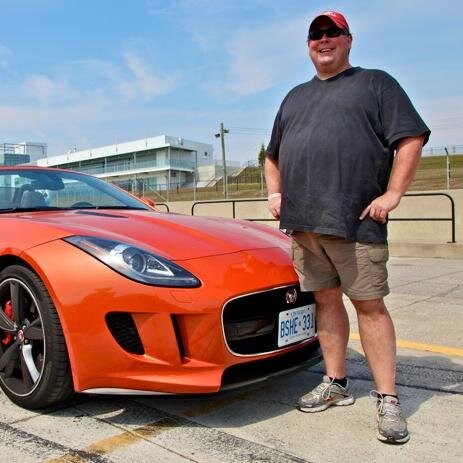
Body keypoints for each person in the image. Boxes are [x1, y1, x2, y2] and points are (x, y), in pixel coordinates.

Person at [265, 10, 430, 445]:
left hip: (355, 223)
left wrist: (392, 194)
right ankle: (336, 383)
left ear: (348, 40)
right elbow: (272, 155)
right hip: (304, 224)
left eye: (331, 32)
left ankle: (389, 398)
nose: (323, 39)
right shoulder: (295, 96)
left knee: (370, 307)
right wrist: (275, 194)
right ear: (308, 45)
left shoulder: (376, 83)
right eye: (316, 34)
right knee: (326, 303)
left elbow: (410, 138)